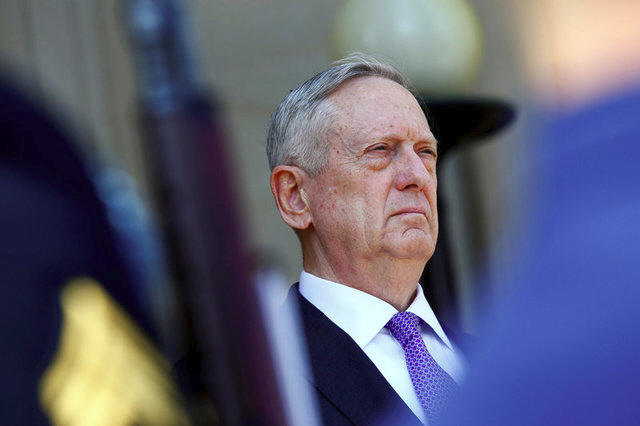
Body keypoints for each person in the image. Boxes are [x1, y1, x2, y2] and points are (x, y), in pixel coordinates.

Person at [267, 54, 468, 425]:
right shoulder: (258, 380)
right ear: (295, 196)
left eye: (425, 152)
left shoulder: (504, 362)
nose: (417, 176)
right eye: (380, 150)